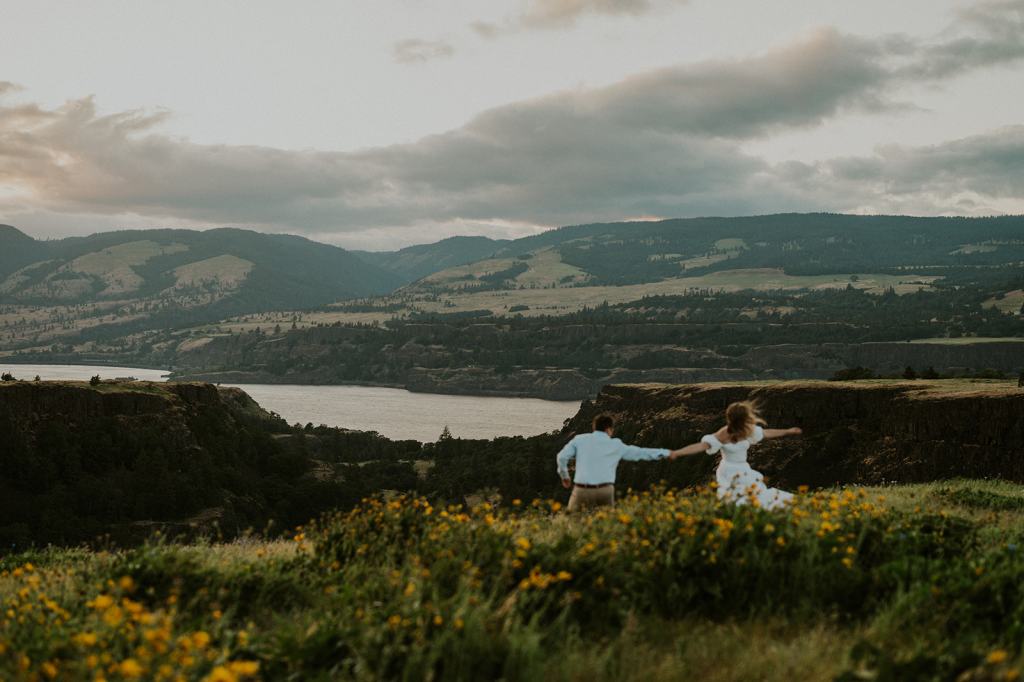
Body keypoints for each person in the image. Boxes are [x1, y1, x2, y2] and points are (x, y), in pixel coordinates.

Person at [673, 400, 802, 510]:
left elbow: (766, 433)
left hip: (743, 468)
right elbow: (700, 446)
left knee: (754, 494)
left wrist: (787, 431)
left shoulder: (747, 430)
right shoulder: (723, 434)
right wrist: (678, 452)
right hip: (729, 470)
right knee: (737, 498)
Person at [556, 413, 690, 511]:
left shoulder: (580, 440)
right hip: (605, 490)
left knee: (572, 524)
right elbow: (641, 453)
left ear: (594, 428)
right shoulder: (616, 445)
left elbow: (561, 457)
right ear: (609, 429)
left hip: (582, 489)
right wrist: (666, 452)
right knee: (607, 527)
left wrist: (565, 477)